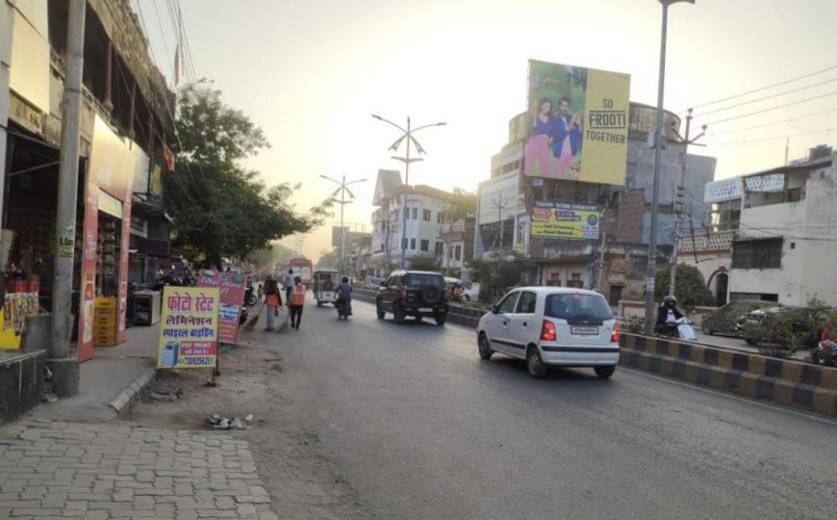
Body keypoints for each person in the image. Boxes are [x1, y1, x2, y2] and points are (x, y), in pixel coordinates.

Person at [551, 96, 582, 180]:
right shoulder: (555, 120)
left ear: (569, 107)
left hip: (572, 153)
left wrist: (579, 124)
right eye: (563, 105)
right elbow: (556, 137)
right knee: (558, 176)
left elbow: (579, 132)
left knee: (575, 177)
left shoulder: (571, 118)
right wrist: (567, 129)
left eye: (567, 106)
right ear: (559, 106)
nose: (565, 108)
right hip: (560, 152)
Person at [523, 98, 555, 178]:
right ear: (541, 106)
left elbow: (553, 132)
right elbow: (534, 130)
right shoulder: (535, 116)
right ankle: (525, 179)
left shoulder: (550, 119)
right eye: (546, 106)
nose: (548, 108)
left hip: (544, 143)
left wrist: (551, 139)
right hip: (535, 141)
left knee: (545, 166)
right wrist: (534, 118)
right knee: (528, 163)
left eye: (549, 107)